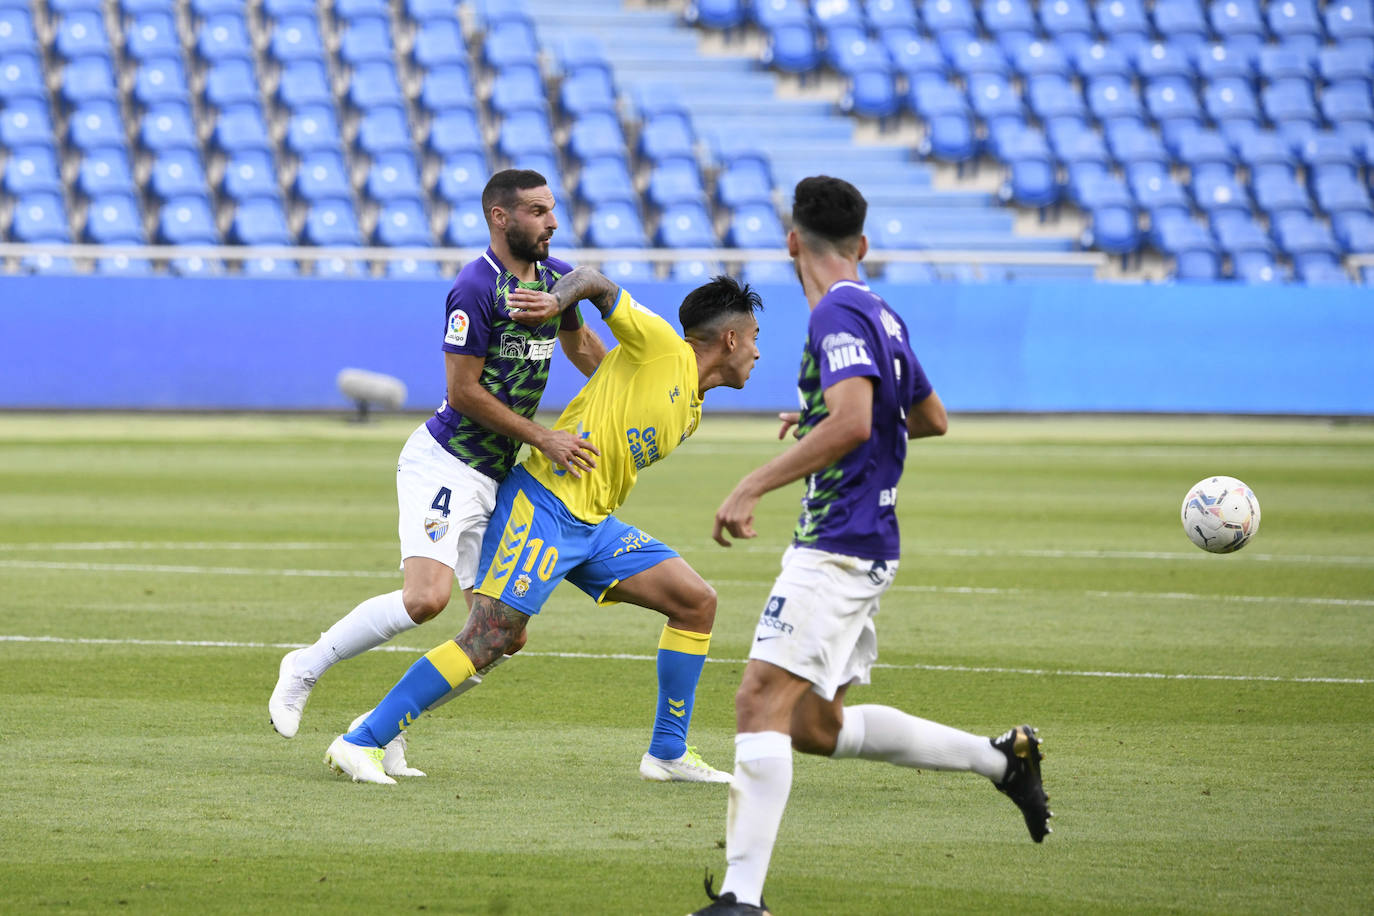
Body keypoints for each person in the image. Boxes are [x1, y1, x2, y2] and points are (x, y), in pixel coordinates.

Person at [687, 177, 1052, 915]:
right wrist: (820, 413)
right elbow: (929, 417)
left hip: (839, 542)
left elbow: (856, 422)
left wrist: (754, 482)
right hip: (865, 539)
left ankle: (741, 900)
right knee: (815, 727)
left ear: (793, 242)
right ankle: (1002, 760)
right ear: (863, 245)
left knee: (758, 699)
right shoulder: (881, 313)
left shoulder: (837, 312)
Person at [324, 268, 764, 786]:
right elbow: (593, 281)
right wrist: (557, 302)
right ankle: (361, 740)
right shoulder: (665, 345)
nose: (756, 352)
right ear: (731, 338)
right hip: (544, 504)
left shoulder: (689, 402)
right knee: (491, 636)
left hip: (593, 524)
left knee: (696, 602)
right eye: (754, 339)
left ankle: (667, 752)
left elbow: (608, 374)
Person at [269, 170, 606, 776]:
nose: (552, 221)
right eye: (536, 211)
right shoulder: (474, 288)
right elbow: (463, 391)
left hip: (499, 474)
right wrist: (543, 437)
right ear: (500, 218)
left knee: (503, 635)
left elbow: (585, 353)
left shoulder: (557, 282)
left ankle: (381, 727)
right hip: (448, 463)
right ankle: (306, 665)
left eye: (552, 210)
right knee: (427, 600)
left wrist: (634, 392)